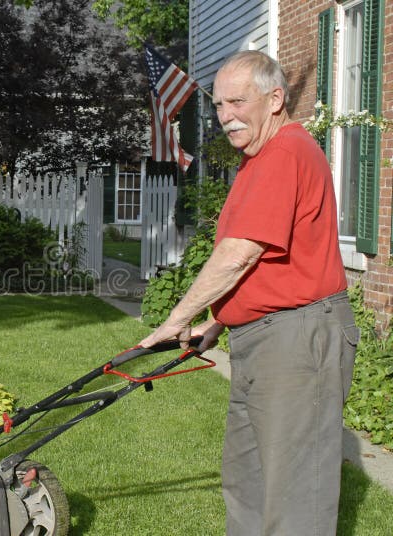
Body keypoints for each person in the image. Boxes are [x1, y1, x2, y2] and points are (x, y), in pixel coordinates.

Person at [139, 50, 359, 535]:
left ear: (276, 98)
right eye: (218, 105)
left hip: (297, 340)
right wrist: (217, 322)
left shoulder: (284, 153)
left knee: (296, 491)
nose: (225, 116)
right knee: (248, 479)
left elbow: (240, 252)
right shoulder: (259, 160)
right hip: (263, 338)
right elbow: (265, 261)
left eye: (238, 101)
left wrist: (175, 319)